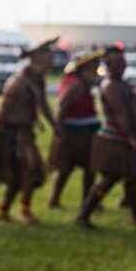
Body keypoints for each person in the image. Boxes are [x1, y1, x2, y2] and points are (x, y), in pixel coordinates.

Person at [0, 38, 61, 224]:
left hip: (26, 133)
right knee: (27, 171)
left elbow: (43, 105)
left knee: (24, 174)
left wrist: (55, 126)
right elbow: (2, 111)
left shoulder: (38, 79)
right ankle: (24, 210)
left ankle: (4, 210)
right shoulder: (17, 82)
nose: (52, 57)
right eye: (47, 53)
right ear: (37, 57)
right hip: (13, 134)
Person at [76, 45, 136, 229]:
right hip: (115, 138)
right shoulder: (110, 85)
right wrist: (132, 136)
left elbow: (131, 110)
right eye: (116, 64)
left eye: (122, 63)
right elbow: (120, 113)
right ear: (108, 66)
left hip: (124, 136)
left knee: (131, 178)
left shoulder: (121, 83)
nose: (121, 66)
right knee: (108, 180)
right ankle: (83, 216)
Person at [47, 49, 102, 209]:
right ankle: (55, 200)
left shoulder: (82, 83)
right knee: (66, 168)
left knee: (88, 169)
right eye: (93, 67)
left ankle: (86, 200)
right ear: (83, 68)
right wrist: (59, 130)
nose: (95, 70)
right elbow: (62, 106)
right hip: (76, 134)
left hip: (86, 131)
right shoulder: (76, 83)